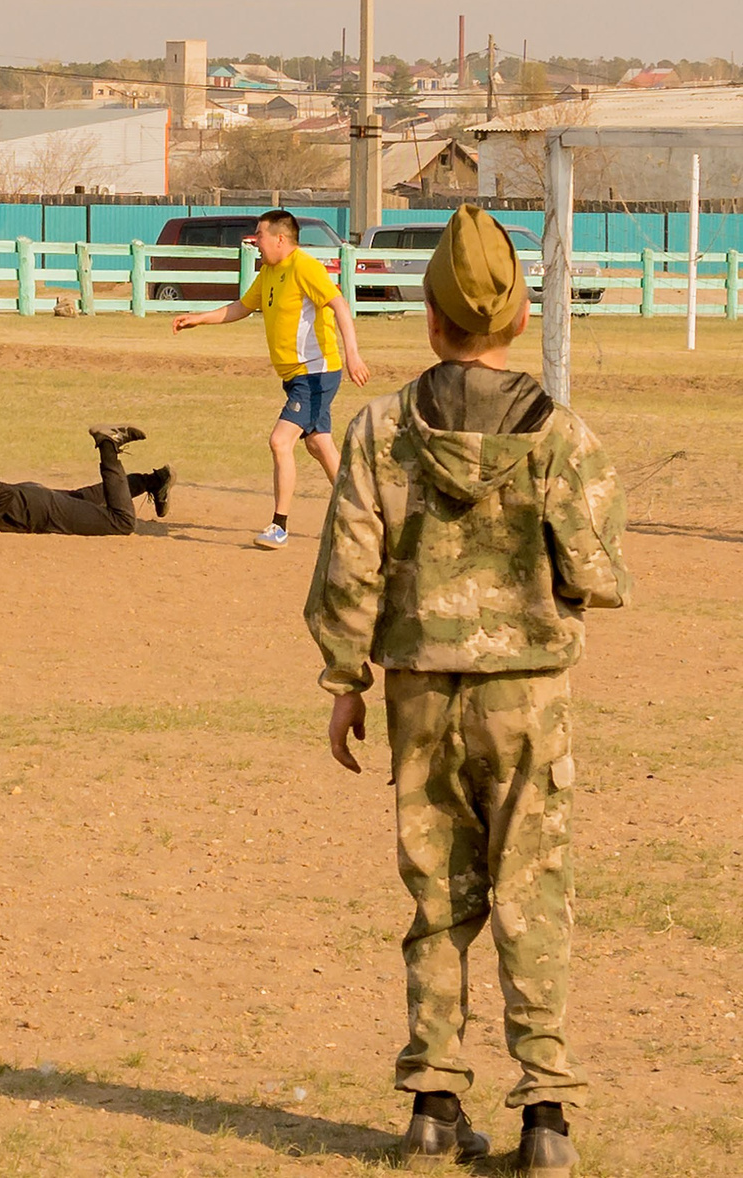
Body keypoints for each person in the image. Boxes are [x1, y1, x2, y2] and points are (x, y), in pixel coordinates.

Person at [305, 205, 628, 1175]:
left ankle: (434, 1104)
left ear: (432, 319)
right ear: (519, 317)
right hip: (528, 698)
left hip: (417, 695)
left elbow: (346, 569)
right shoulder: (563, 436)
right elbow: (596, 568)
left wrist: (341, 678)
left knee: (436, 896)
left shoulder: (376, 430)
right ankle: (546, 1121)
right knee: (534, 896)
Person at [170, 208, 371, 549]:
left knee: (280, 441)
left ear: (280, 239)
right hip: (297, 376)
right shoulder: (269, 272)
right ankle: (360, 515)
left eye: (260, 235)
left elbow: (339, 305)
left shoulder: (304, 267)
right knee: (319, 444)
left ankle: (279, 526)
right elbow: (241, 307)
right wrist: (199, 319)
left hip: (316, 372)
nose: (255, 241)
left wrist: (353, 353)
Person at [0, 428, 172, 535]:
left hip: (38, 510)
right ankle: (155, 480)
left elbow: (2, 493)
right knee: (88, 498)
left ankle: (109, 445)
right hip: (35, 500)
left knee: (121, 522)